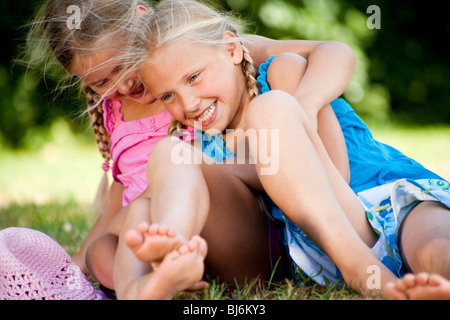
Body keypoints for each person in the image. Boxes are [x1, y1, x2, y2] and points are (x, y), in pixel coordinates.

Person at [27, 0, 359, 298]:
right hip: (150, 221)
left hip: (226, 223)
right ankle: (154, 279)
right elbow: (123, 187)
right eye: (101, 82)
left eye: (124, 63)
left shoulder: (203, 65)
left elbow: (333, 50)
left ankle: (169, 264)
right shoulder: (118, 111)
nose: (123, 85)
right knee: (100, 252)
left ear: (141, 18)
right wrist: (83, 258)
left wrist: (302, 108)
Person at [124, 0, 450, 298]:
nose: (189, 104)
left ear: (232, 50)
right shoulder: (200, 144)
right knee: (167, 154)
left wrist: (296, 116)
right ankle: (173, 252)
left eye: (194, 77)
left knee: (434, 249)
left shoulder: (283, 75)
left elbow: (337, 176)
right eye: (168, 96)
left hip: (378, 203)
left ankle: (389, 274)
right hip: (312, 249)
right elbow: (147, 200)